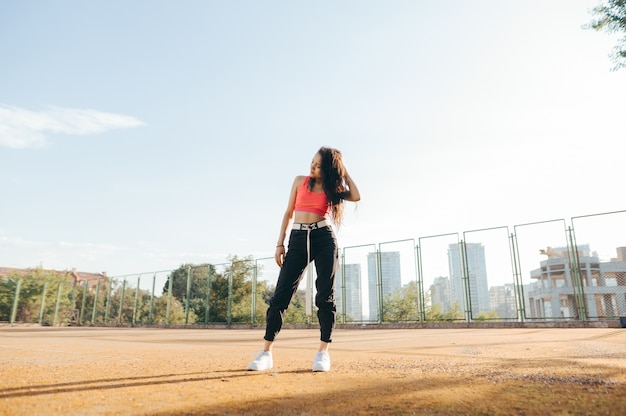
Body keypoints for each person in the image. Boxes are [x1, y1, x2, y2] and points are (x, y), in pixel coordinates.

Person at [247, 146, 360, 372]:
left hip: (324, 238)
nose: (313, 166)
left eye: (318, 165)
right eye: (312, 162)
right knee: (280, 296)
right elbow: (288, 213)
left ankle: (322, 353)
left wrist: (344, 170)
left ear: (328, 168)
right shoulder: (300, 181)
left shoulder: (333, 188)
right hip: (298, 239)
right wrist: (280, 243)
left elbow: (356, 195)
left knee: (325, 297)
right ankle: (266, 352)